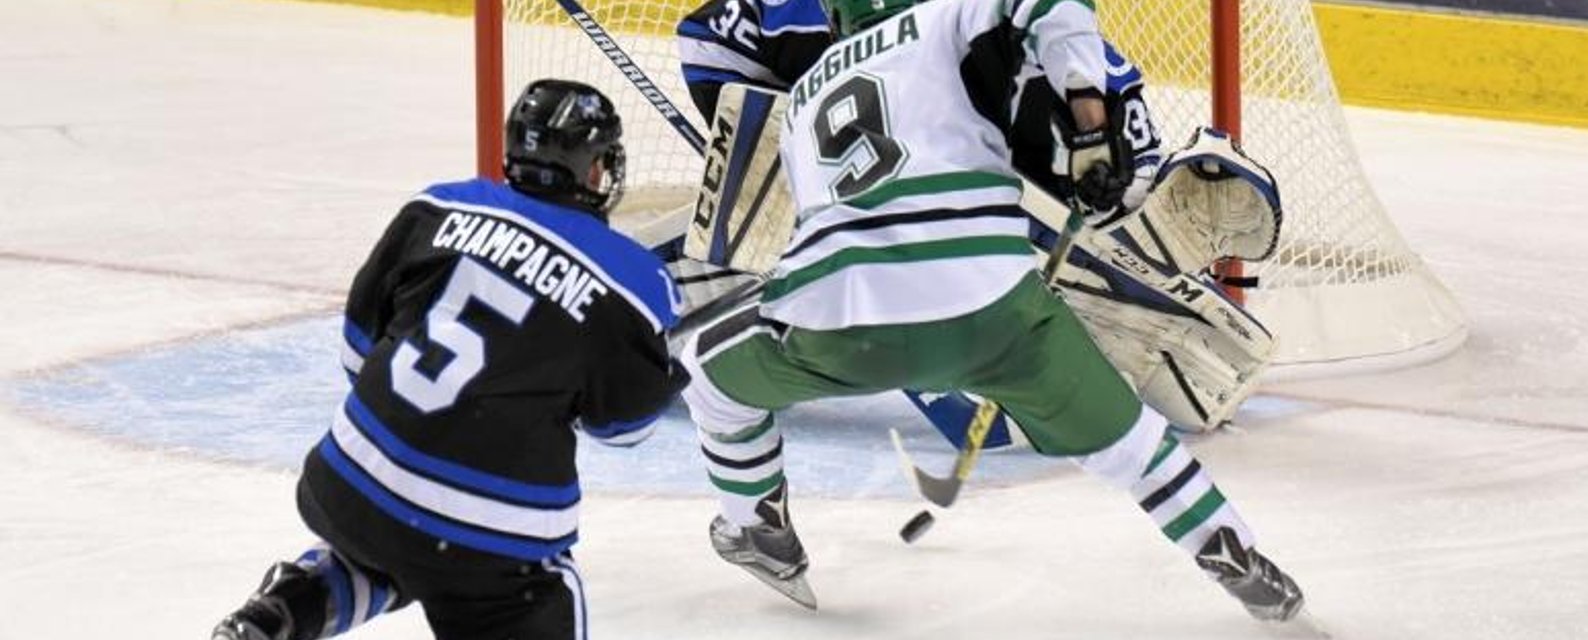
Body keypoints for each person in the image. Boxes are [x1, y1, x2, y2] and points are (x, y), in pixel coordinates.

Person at [677, 0, 1304, 623]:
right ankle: (1234, 553)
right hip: (993, 306)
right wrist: (1088, 128)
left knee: (707, 374)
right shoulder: (950, 15)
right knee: (1132, 444)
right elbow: (1054, 10)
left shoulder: (806, 94)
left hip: (840, 317)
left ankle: (757, 528)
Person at [211, 79, 685, 640]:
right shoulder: (634, 281)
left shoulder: (436, 206)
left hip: (345, 481)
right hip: (486, 539)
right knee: (514, 578)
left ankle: (280, 613)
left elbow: (359, 350)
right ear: (590, 168)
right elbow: (622, 428)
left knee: (391, 541)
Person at [674, 0, 1169, 448]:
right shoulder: (799, 15)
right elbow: (707, 44)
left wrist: (1100, 175)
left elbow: (1130, 170)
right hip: (878, 216)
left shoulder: (1006, 33)